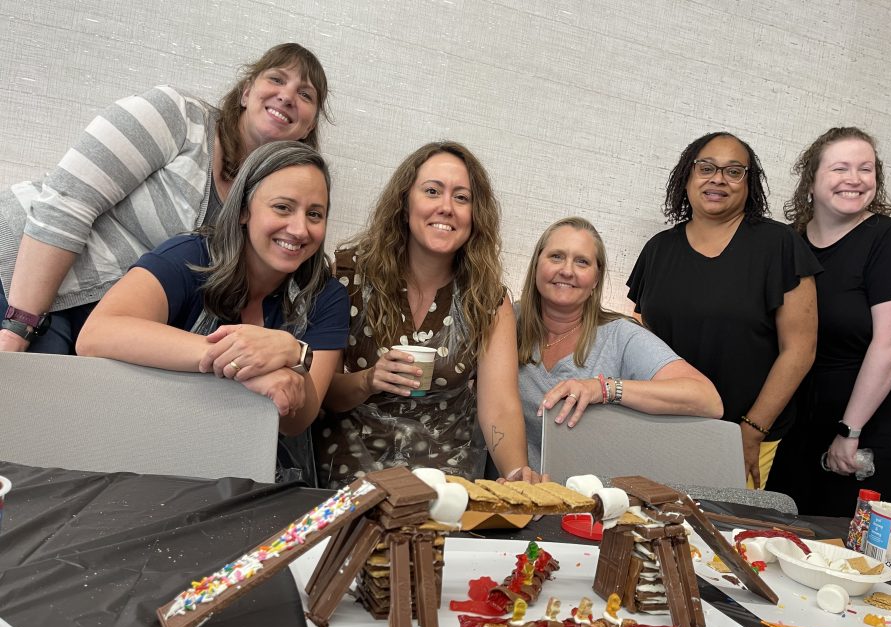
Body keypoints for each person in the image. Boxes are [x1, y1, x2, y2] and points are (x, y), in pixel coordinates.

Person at [1, 43, 330, 355]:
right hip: (22, 275)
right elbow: (68, 200)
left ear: (309, 125)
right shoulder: (179, 117)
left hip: (103, 319)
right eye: (276, 79)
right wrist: (20, 323)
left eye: (304, 94)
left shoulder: (272, 202)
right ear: (246, 92)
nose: (287, 96)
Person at [76, 141, 348, 481]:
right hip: (151, 453)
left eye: (314, 214)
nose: (299, 229)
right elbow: (96, 334)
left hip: (256, 466)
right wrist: (245, 360)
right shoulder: (189, 257)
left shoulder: (328, 296)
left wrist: (293, 353)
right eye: (282, 208)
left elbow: (297, 421)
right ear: (243, 210)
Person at [315, 141, 534, 488]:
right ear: (404, 204)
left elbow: (500, 407)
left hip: (445, 474)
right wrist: (368, 380)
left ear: (475, 216)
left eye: (462, 197)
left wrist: (515, 474)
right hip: (351, 466)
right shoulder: (347, 276)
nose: (446, 207)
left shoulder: (488, 299)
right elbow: (319, 392)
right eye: (432, 191)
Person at [627, 132, 821, 489]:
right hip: (663, 429)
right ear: (687, 176)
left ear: (749, 184)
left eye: (734, 171)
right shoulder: (658, 250)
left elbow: (800, 350)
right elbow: (641, 341)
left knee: (722, 538)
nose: (718, 179)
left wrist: (752, 431)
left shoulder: (779, 245)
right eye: (706, 168)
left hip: (743, 435)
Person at [766, 127, 891, 516]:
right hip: (806, 418)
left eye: (866, 168)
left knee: (856, 549)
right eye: (841, 168)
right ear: (811, 179)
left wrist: (849, 431)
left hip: (880, 419)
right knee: (780, 529)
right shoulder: (788, 244)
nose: (855, 179)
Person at [516, 216, 723, 470]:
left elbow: (708, 399)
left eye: (582, 262)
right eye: (556, 256)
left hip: (584, 503)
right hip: (503, 497)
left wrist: (604, 390)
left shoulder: (620, 336)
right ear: (536, 264)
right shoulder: (505, 321)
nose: (567, 270)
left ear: (595, 279)